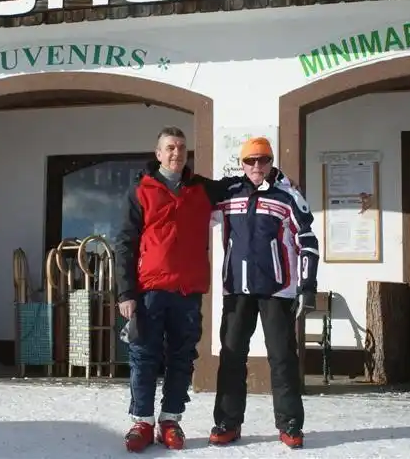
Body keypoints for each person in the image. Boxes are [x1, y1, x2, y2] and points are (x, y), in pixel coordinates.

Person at [114, 126, 248, 453]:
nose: (176, 153)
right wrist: (125, 293)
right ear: (158, 154)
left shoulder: (200, 189)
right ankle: (142, 422)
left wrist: (273, 176)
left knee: (181, 357)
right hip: (149, 291)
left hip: (188, 291)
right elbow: (125, 244)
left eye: (181, 148)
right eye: (170, 148)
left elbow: (240, 183)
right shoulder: (140, 192)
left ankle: (170, 420)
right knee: (143, 356)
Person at [208, 137, 319, 450]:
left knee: (283, 358)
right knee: (231, 357)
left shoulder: (287, 196)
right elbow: (192, 204)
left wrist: (307, 286)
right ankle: (228, 422)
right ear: (241, 164)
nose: (257, 166)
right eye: (250, 160)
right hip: (237, 290)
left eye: (264, 160)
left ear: (271, 162)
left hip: (277, 290)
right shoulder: (228, 194)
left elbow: (307, 240)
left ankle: (290, 425)